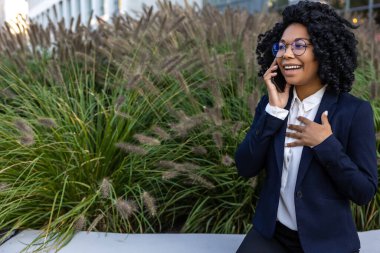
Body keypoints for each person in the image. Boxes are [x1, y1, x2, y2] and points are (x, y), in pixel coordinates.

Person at [234, 1, 378, 253]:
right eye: (282, 46)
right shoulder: (271, 104)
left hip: (327, 242)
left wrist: (326, 145)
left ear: (324, 50)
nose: (287, 54)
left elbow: (364, 191)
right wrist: (274, 113)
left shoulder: (353, 112)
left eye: (299, 45)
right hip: (273, 235)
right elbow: (245, 166)